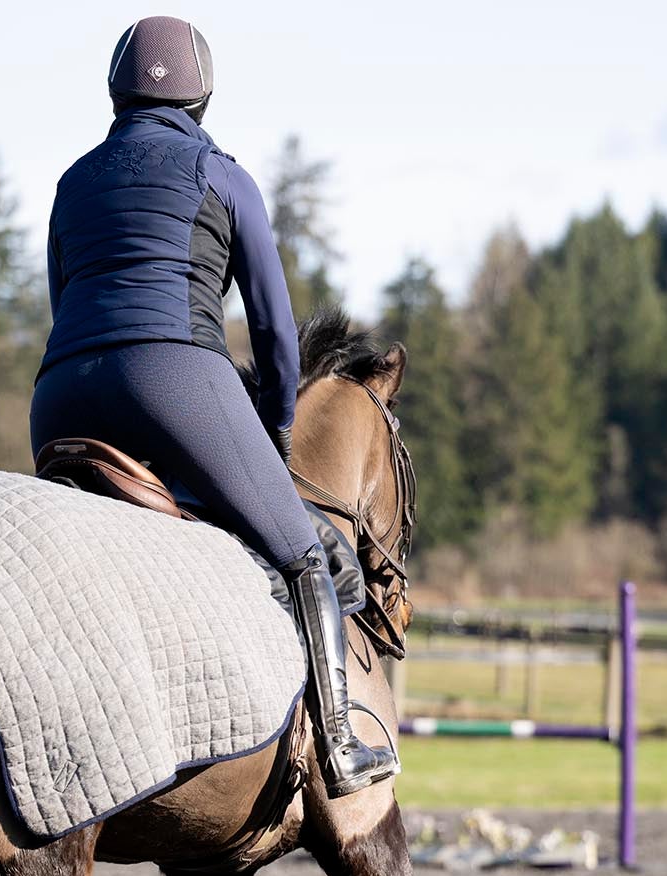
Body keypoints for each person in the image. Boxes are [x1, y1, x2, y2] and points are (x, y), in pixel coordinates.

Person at [32, 15, 398, 796]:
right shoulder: (223, 175)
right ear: (203, 98)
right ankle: (339, 744)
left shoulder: (72, 181)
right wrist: (272, 431)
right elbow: (272, 328)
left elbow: (63, 298)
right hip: (171, 378)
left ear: (114, 92)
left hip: (60, 392)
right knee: (306, 553)